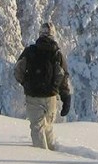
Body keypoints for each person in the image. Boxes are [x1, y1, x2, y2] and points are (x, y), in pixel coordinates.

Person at [14, 22, 71, 150]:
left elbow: (18, 70)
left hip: (33, 95)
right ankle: (52, 154)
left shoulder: (30, 51)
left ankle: (42, 160)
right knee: (48, 127)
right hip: (51, 96)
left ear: (40, 33)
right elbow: (63, 75)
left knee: (37, 127)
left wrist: (26, 84)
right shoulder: (57, 53)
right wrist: (65, 96)